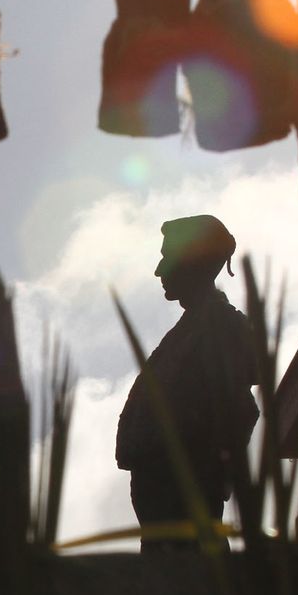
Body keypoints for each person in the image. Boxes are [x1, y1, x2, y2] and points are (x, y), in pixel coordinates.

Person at [115, 214, 258, 542]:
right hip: (163, 506)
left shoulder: (221, 328)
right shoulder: (187, 333)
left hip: (187, 500)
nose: (159, 270)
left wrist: (209, 468)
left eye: (167, 258)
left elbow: (239, 408)